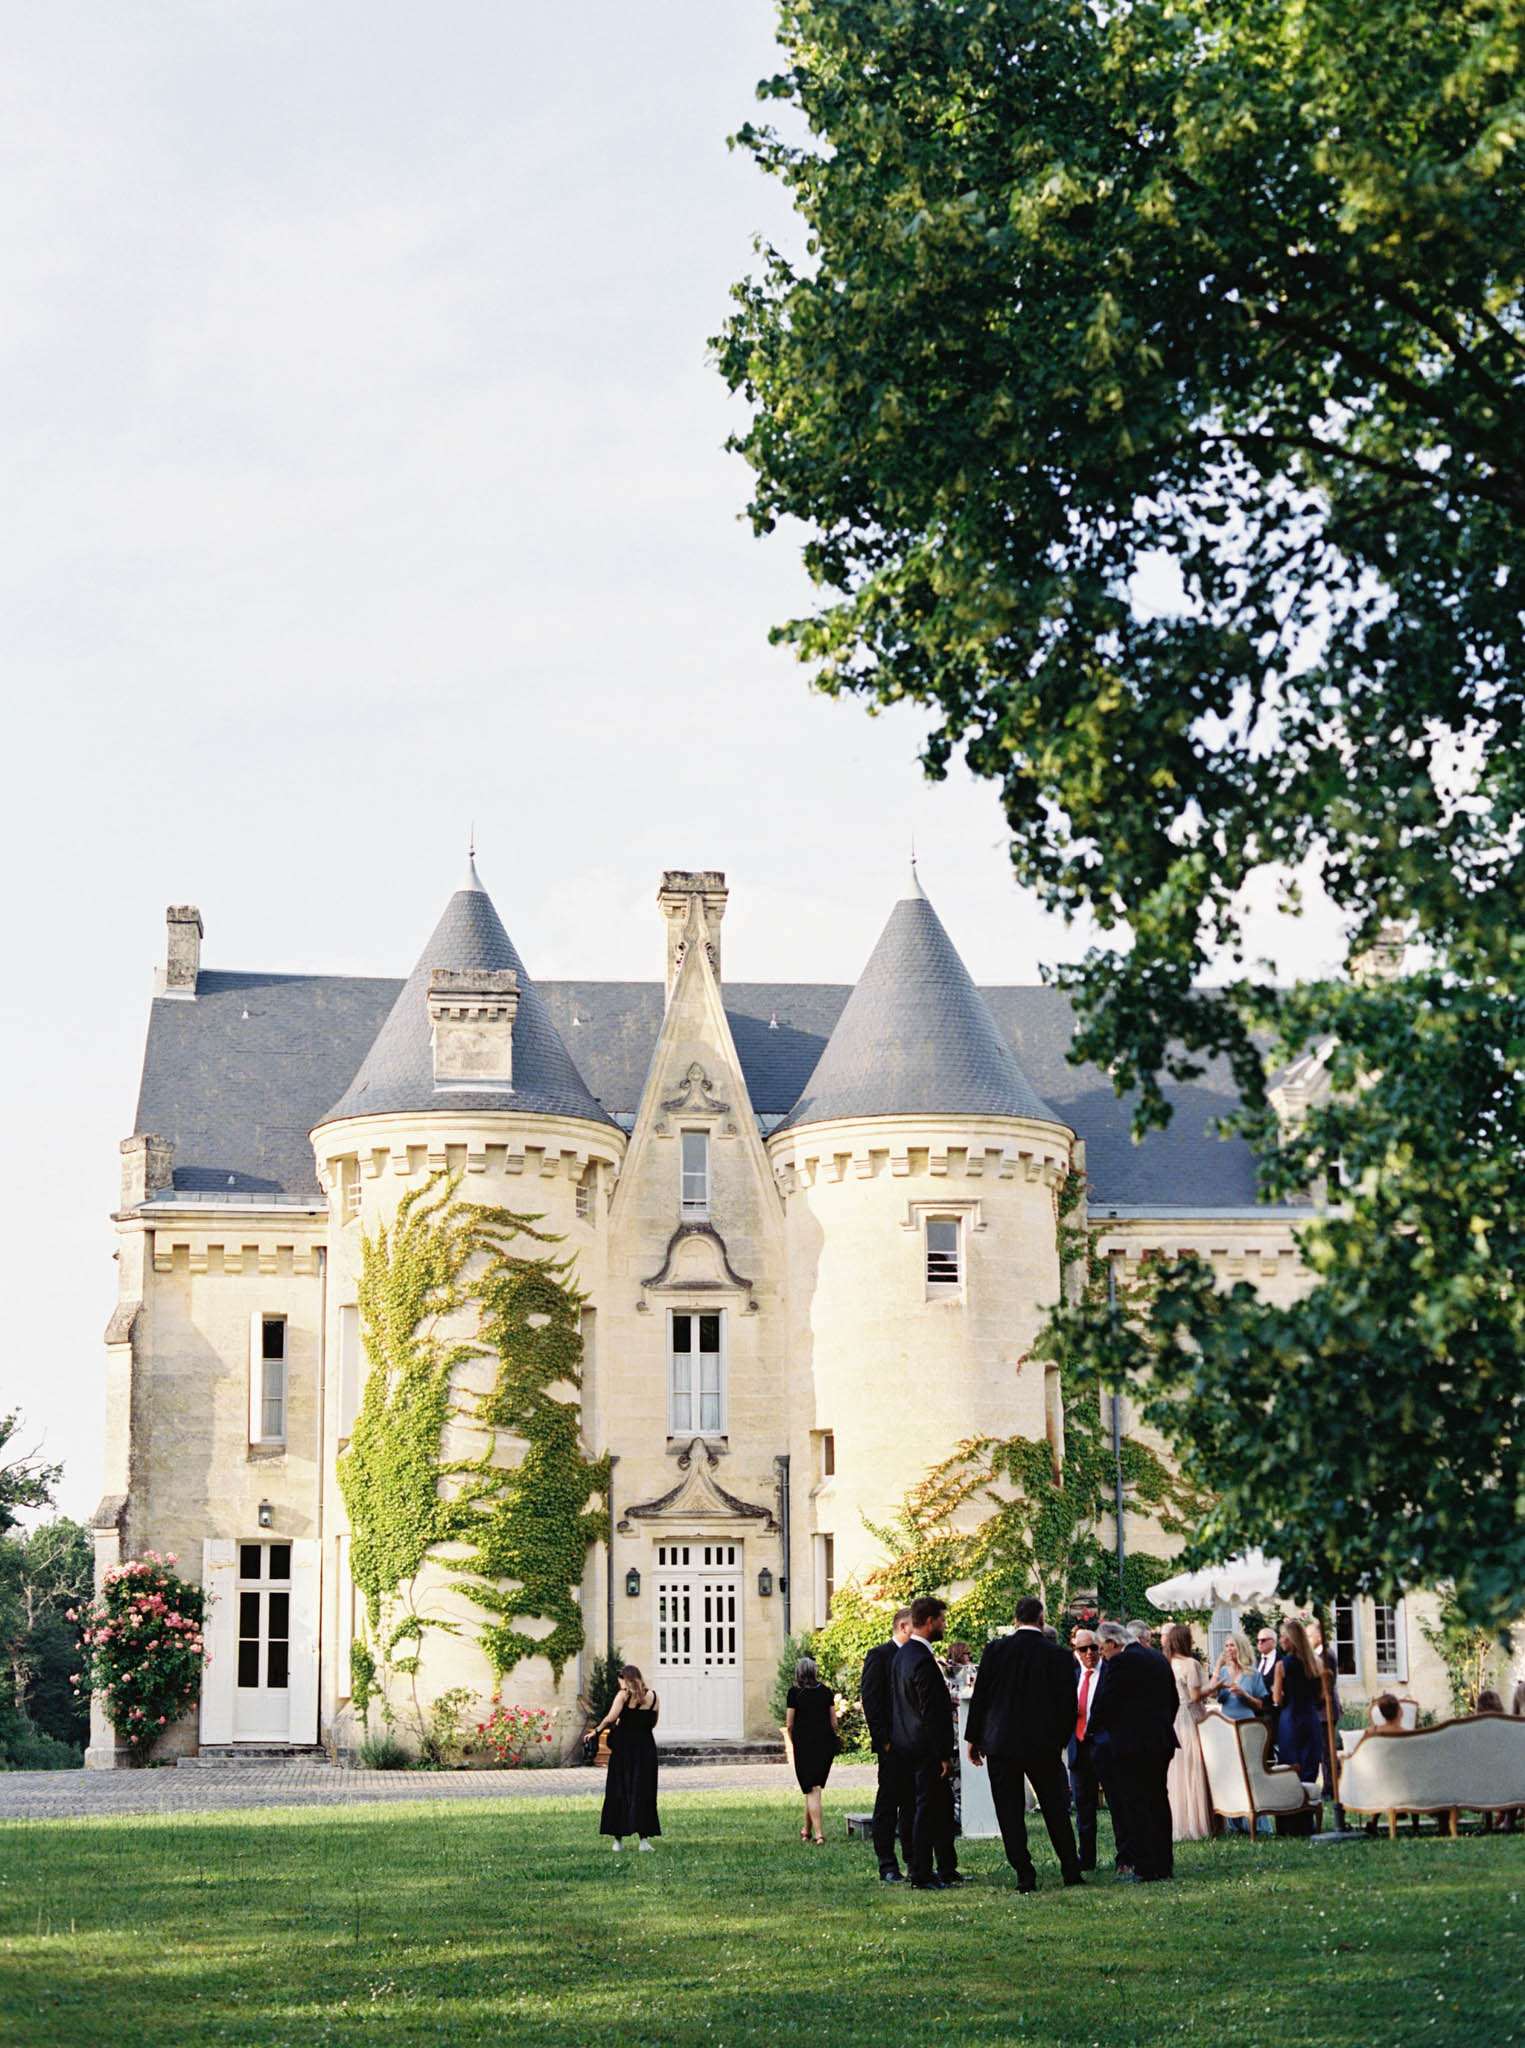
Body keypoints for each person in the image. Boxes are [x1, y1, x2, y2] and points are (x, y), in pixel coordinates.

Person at [965, 1595, 1084, 1891]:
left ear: (1015, 1619)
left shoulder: (995, 1650)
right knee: (1055, 1807)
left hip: (1001, 1743)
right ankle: (1070, 1867)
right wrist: (1058, 1740)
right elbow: (1068, 1704)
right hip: (1042, 1744)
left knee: (1009, 1810)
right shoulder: (1057, 1655)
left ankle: (1024, 1873)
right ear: (1041, 1619)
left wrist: (973, 1737)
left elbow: (981, 1697)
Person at [1088, 1619, 1179, 1881]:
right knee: (1159, 1802)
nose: (1101, 1655)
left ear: (1112, 1643)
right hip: (1161, 1741)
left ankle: (1145, 1866)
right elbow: (1172, 1701)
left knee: (1136, 1805)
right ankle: (1163, 1863)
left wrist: (1092, 1730)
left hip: (1131, 1745)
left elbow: (1106, 1701)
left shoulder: (1120, 1663)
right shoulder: (1158, 1659)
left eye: (1102, 1649)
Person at [890, 1595, 965, 1891]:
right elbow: (931, 1711)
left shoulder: (903, 1655)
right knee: (927, 1810)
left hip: (907, 1744)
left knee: (939, 1807)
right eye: (942, 1620)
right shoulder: (921, 1659)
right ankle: (921, 1871)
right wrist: (943, 1754)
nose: (944, 1625)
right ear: (931, 1621)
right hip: (925, 1748)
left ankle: (946, 1868)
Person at [860, 1606, 915, 1882]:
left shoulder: (916, 1656)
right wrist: (884, 1741)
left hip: (913, 1743)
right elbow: (871, 1700)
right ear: (904, 1627)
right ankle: (887, 1863)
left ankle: (913, 1858)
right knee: (888, 1802)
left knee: (911, 1803)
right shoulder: (880, 1656)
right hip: (892, 1744)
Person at [597, 1664, 660, 1851]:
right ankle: (644, 1841)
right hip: (646, 1749)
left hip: (624, 1750)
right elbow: (653, 1722)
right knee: (644, 1792)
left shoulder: (623, 1696)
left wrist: (597, 1731)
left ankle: (618, 1842)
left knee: (619, 1791)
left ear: (625, 1680)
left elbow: (610, 1717)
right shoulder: (653, 1697)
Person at [1161, 1623, 1213, 1841]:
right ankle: (1195, 1823)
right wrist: (1217, 1685)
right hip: (1189, 1717)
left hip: (1173, 1718)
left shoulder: (1167, 1664)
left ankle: (1178, 1821)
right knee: (1193, 1766)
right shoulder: (1190, 1664)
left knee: (1177, 1770)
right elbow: (1195, 1696)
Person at [784, 1655, 838, 1846]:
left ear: (798, 1672)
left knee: (812, 1788)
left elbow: (789, 1724)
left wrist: (792, 1740)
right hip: (825, 1744)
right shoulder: (826, 1691)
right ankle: (806, 1830)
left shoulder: (794, 1693)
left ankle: (819, 1834)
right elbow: (834, 1722)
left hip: (804, 1744)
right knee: (812, 1787)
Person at [1272, 1619, 1325, 1787]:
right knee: (1309, 1771)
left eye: (1282, 1637)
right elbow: (1321, 1696)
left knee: (1290, 1770)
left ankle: (1293, 1809)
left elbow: (1276, 1700)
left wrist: (1277, 1689)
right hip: (1310, 1719)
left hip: (1290, 1721)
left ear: (1291, 1639)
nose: (1280, 1640)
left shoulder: (1281, 1666)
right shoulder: (1316, 1663)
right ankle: (1309, 1808)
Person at [1068, 1628, 1103, 1872]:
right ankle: (1086, 1858)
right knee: (1083, 1807)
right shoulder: (1071, 1677)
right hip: (1078, 1749)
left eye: (1093, 1648)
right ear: (1076, 1651)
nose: (1089, 1653)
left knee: (1119, 1804)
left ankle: (1126, 1858)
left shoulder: (1109, 1674)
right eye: (1083, 1649)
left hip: (1105, 1747)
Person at [1205, 1631, 1268, 1724]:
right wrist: (1218, 1666)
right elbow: (1211, 1693)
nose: (1228, 1649)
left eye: (1232, 1645)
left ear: (1241, 1648)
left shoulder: (1253, 1673)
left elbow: (1259, 1705)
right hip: (1226, 1723)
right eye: (1226, 1646)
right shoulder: (1223, 1671)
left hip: (1247, 1723)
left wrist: (1245, 1695)